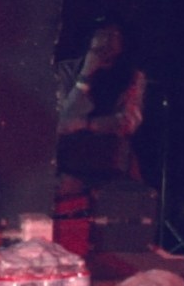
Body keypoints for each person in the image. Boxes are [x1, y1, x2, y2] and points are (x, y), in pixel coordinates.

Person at [56, 14, 146, 194]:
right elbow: (62, 121)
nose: (106, 41)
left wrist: (84, 124)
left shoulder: (132, 76)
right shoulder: (65, 71)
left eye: (113, 35)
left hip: (112, 164)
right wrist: (85, 76)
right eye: (101, 34)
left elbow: (127, 122)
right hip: (70, 164)